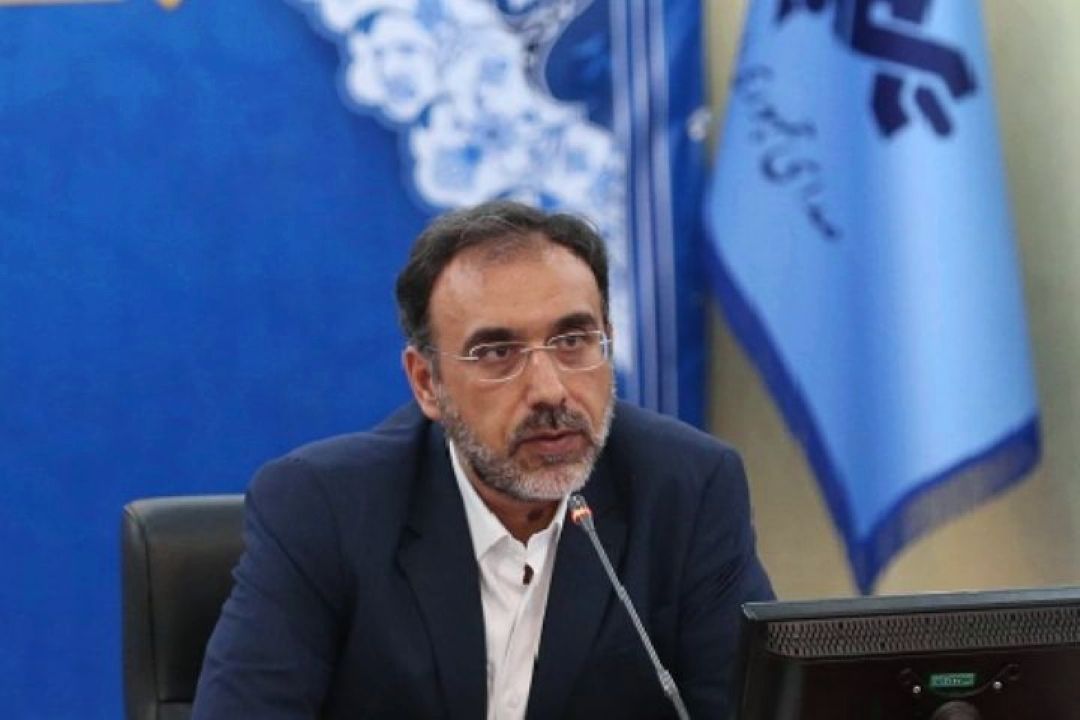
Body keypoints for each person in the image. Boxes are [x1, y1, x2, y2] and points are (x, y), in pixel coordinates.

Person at [192, 200, 773, 719]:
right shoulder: (324, 509)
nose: (549, 390)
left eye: (573, 342)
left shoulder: (688, 489)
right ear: (427, 383)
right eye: (497, 352)